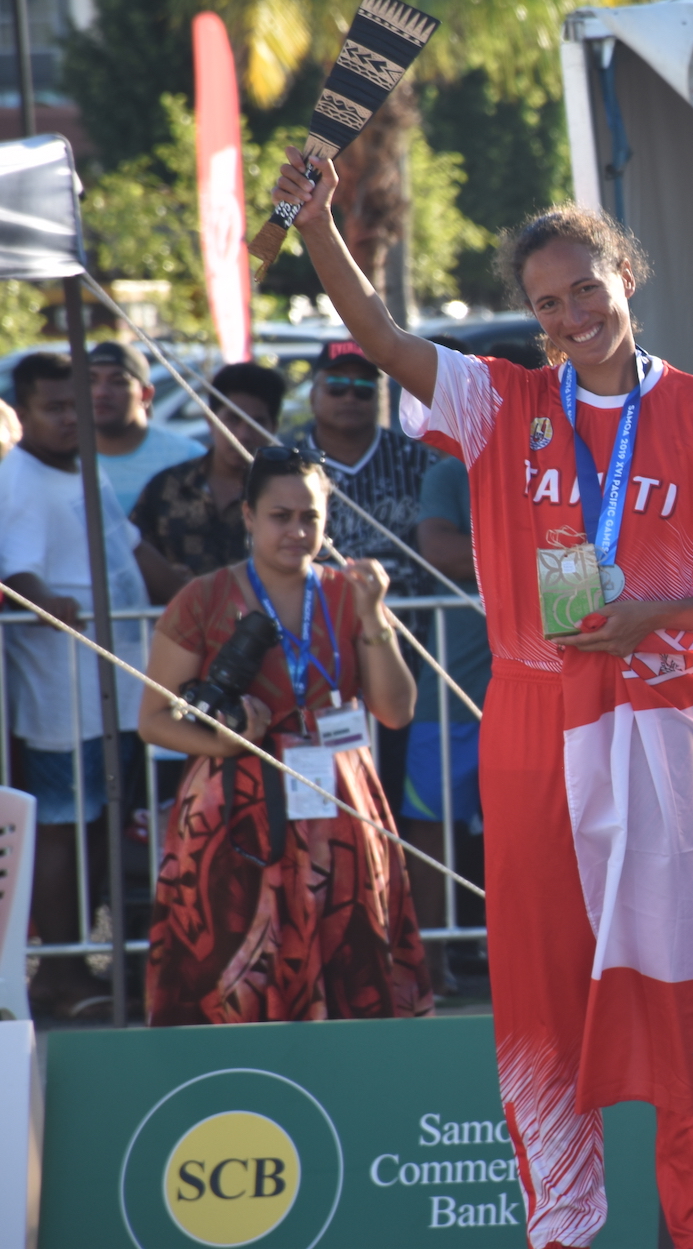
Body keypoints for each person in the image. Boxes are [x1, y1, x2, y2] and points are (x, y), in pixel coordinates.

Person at [273, 148, 693, 1249]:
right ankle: (561, 1227)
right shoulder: (500, 399)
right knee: (543, 997)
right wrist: (321, 223)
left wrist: (656, 616)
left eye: (587, 291)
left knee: (686, 989)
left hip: (663, 718)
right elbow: (379, 336)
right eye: (548, 303)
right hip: (533, 722)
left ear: (626, 277)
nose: (571, 315)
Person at [139, 445, 431, 1023]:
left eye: (310, 518)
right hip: (233, 805)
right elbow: (153, 720)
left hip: (339, 801)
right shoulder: (204, 597)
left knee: (351, 958)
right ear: (248, 515)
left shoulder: (350, 593)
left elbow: (395, 712)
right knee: (231, 969)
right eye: (280, 516)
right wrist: (224, 742)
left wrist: (375, 617)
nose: (297, 531)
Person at [0, 351, 164, 1017]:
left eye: (76, 405)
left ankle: (84, 966)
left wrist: (189, 588)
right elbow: (16, 574)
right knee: (66, 829)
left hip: (116, 691)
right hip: (60, 696)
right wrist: (49, 603)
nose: (71, 418)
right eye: (54, 408)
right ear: (23, 412)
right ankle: (61, 970)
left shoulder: (83, 468)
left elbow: (129, 547)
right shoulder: (20, 481)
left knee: (103, 825)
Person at [398, 453, 491, 994]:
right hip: (451, 691)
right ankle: (425, 971)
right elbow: (440, 550)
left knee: (544, 825)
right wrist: (537, 544)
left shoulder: (573, 454)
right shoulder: (454, 470)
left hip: (547, 682)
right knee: (429, 826)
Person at [300, 338, 441, 602]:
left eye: (364, 388)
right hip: (323, 621)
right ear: (313, 394)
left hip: (413, 625)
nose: (350, 397)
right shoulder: (290, 466)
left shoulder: (417, 461)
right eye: (336, 387)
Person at [131, 362, 288, 598]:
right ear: (210, 420)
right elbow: (132, 554)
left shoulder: (287, 495)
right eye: (233, 420)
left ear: (273, 427)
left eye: (256, 423)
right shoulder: (166, 487)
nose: (243, 435)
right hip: (178, 628)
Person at [90, 341, 202, 515]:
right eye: (90, 381)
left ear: (146, 393)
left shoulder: (186, 457)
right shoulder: (62, 459)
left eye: (118, 381)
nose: (101, 392)